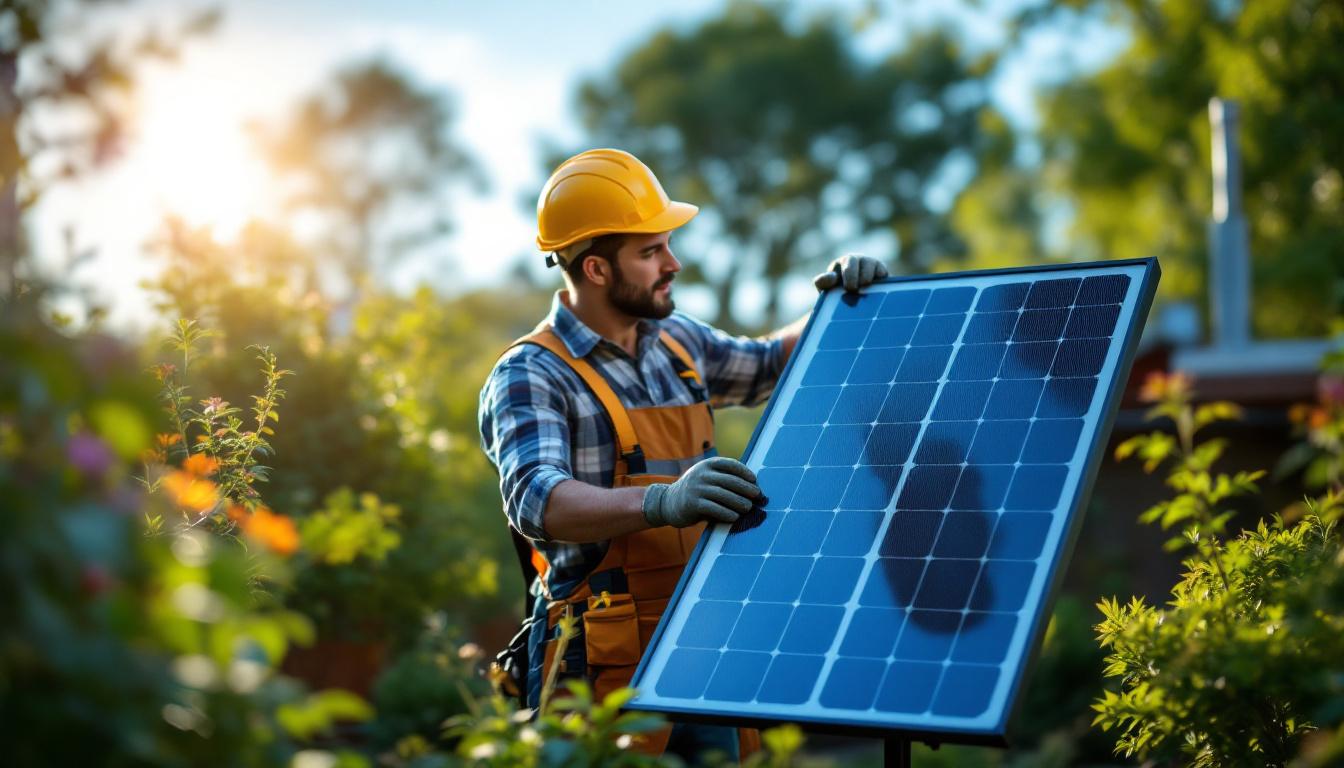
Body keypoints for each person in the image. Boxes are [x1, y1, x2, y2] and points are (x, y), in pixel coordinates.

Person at [477, 148, 888, 762]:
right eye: (651, 252)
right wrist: (664, 502)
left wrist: (840, 303)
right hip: (600, 659)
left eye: (667, 245)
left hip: (703, 638)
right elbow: (539, 501)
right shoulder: (530, 373)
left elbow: (770, 364)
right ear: (595, 268)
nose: (673, 263)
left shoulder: (677, 341)